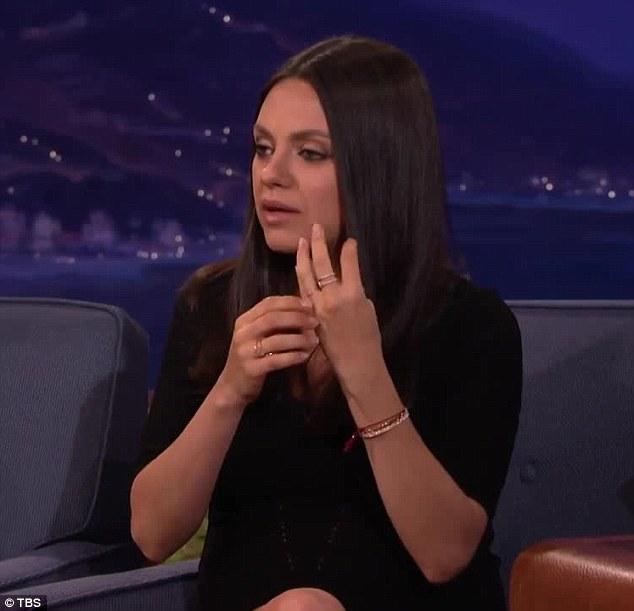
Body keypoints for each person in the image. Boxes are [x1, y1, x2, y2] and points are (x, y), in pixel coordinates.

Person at [130, 35, 522, 611]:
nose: (270, 174)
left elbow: (444, 553)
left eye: (310, 154)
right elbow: (151, 534)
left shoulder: (473, 327)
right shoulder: (211, 305)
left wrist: (364, 371)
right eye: (263, 148)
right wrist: (229, 391)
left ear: (379, 169)